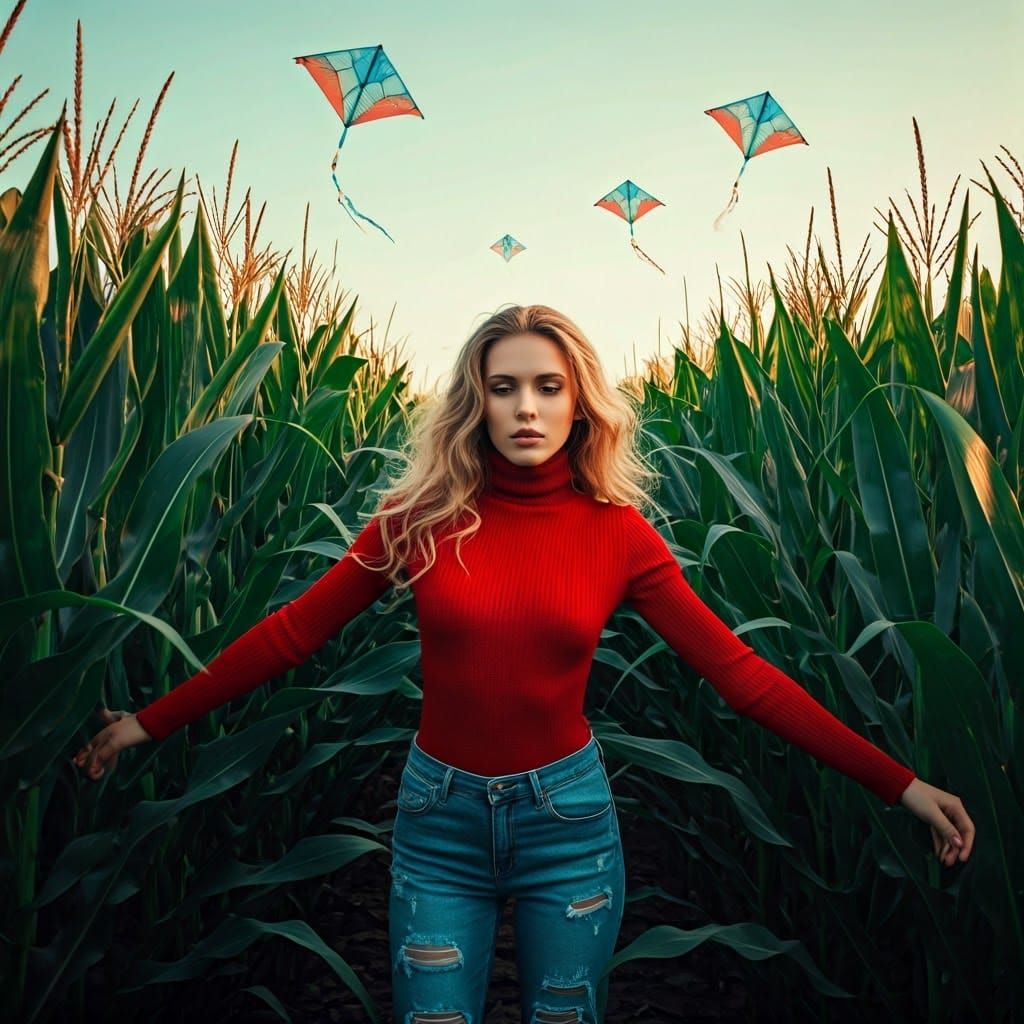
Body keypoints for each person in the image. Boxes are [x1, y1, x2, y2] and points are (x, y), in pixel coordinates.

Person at [74, 304, 975, 1024]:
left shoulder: (618, 535)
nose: (527, 408)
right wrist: (145, 723)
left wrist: (900, 785)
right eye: (503, 388)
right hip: (439, 826)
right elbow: (289, 635)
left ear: (580, 400)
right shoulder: (416, 520)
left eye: (549, 386)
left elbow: (742, 676)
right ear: (476, 401)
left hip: (568, 827)